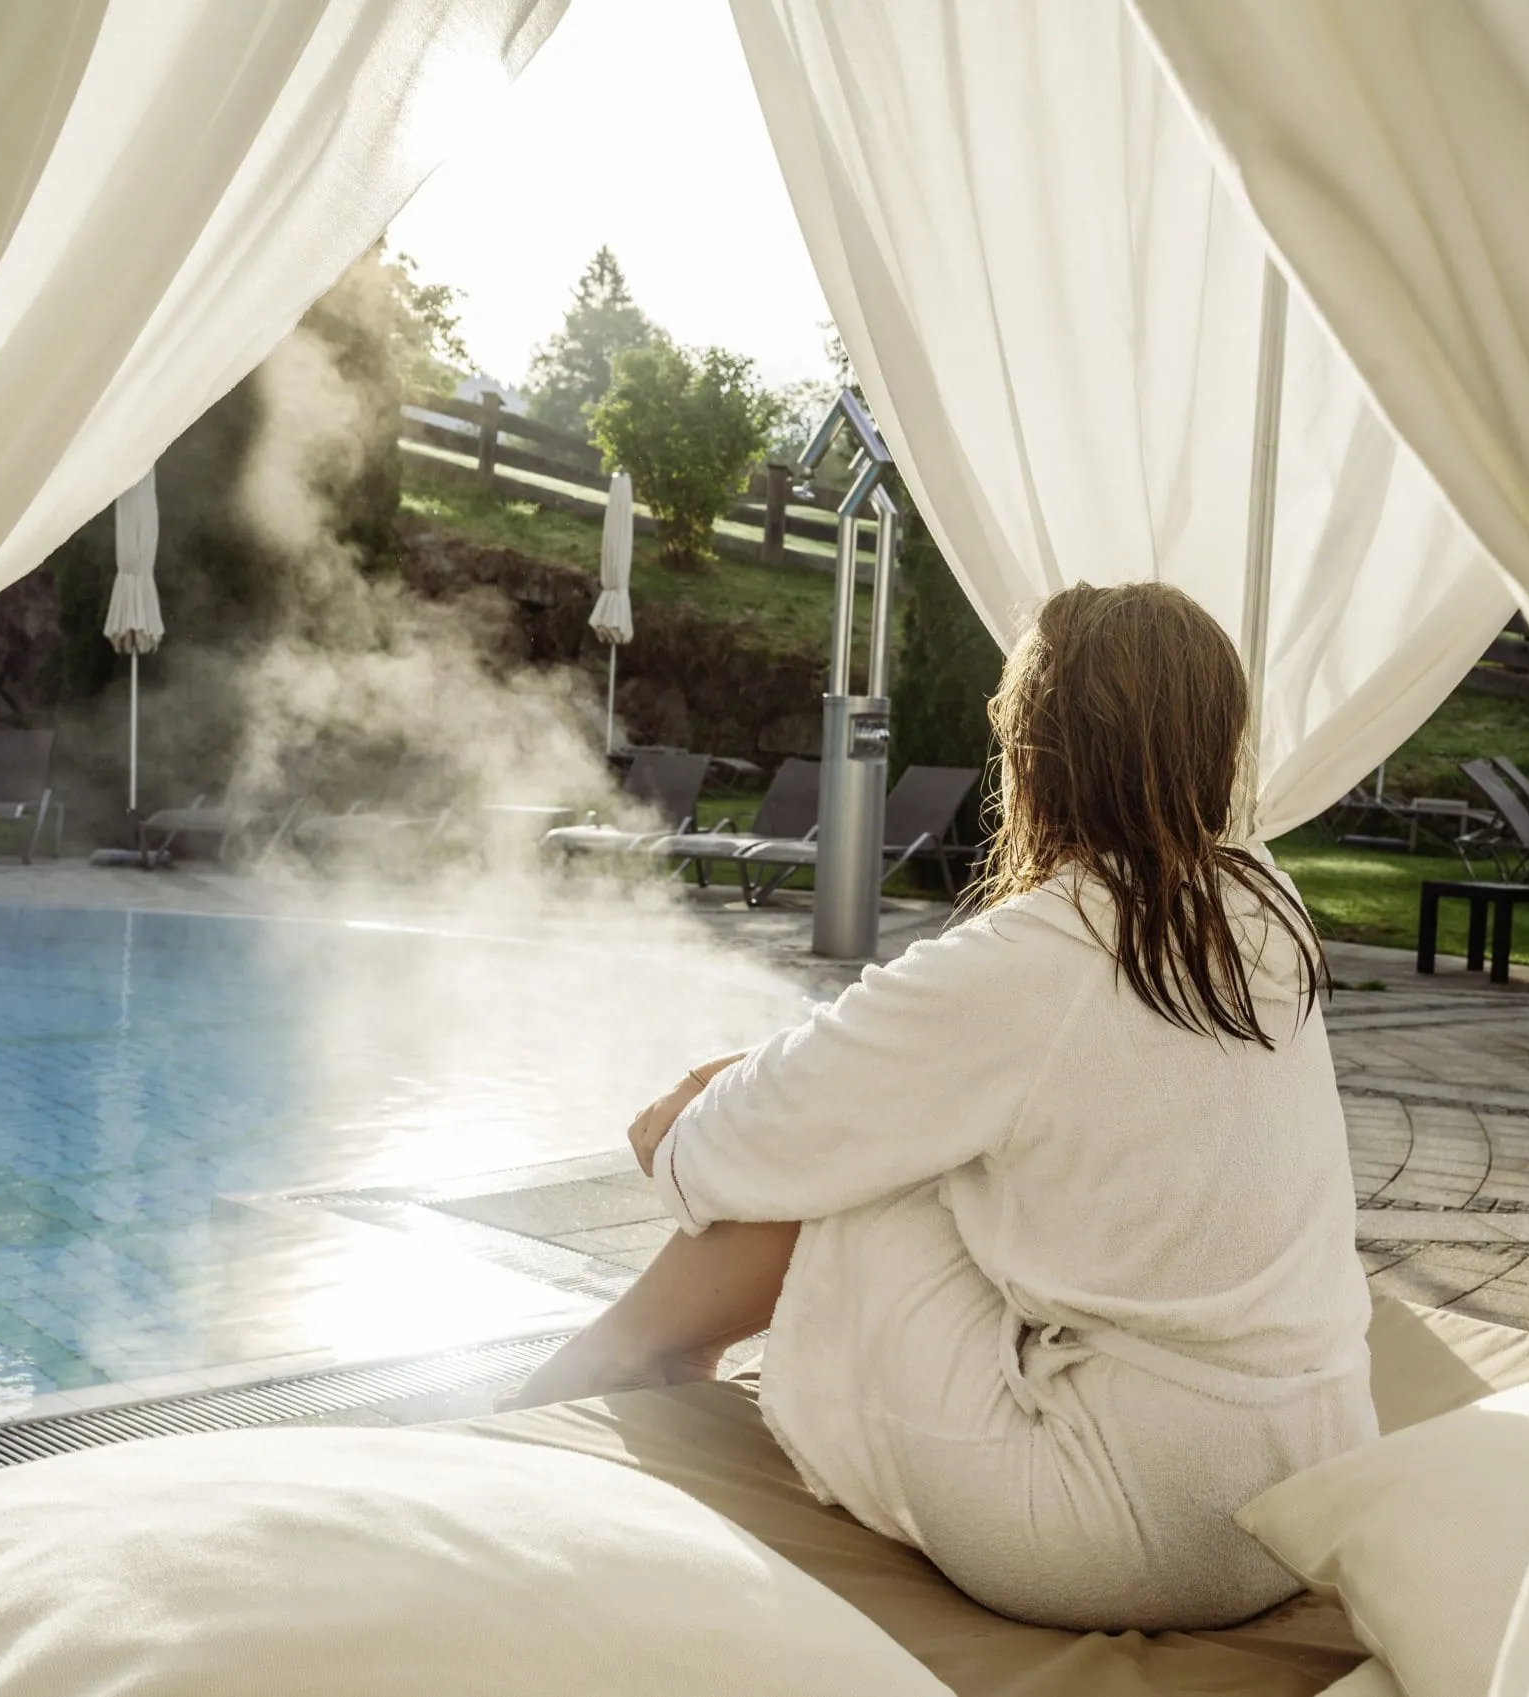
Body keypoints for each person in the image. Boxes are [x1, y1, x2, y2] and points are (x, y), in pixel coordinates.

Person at [504, 582, 1373, 1631]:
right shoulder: (1263, 908)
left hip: (1128, 1530)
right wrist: (768, 1079)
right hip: (1306, 1490)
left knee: (863, 1162)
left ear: (1036, 755)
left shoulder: (1042, 955)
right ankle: (639, 1348)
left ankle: (624, 1351)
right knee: (888, 1115)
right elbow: (877, 1075)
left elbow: (744, 1142)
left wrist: (691, 1106)